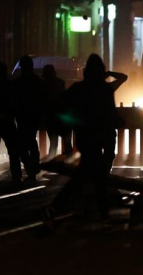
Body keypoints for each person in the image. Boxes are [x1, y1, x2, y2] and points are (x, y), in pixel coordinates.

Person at [44, 54, 123, 226]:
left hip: (86, 137)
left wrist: (67, 124)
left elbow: (59, 105)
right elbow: (110, 114)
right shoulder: (105, 89)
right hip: (101, 136)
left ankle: (57, 207)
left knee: (85, 174)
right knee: (95, 176)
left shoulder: (79, 88)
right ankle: (102, 215)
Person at [13, 55, 47, 182]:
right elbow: (44, 100)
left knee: (23, 145)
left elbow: (13, 100)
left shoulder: (18, 83)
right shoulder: (39, 82)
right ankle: (34, 166)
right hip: (34, 116)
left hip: (22, 116)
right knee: (31, 141)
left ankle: (31, 168)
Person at [42, 65, 70, 158]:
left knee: (53, 143)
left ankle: (51, 162)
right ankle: (70, 162)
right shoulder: (61, 82)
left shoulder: (44, 85)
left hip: (50, 118)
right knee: (67, 142)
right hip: (61, 117)